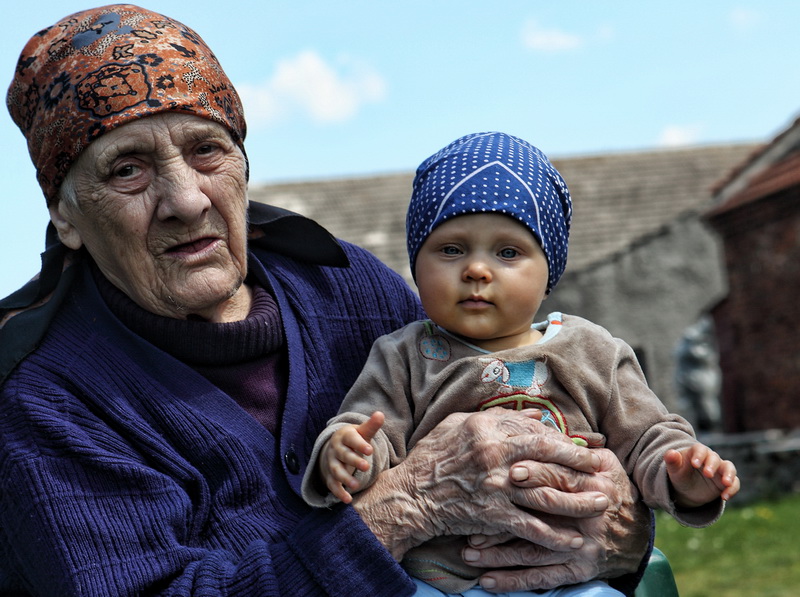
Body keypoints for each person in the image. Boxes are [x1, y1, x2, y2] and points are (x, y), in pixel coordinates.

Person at [0, 6, 654, 596]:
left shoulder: (350, 287)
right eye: (127, 169)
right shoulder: (47, 406)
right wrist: (400, 510)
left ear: (242, 167)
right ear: (66, 217)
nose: (186, 200)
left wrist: (612, 522)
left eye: (207, 150)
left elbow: (511, 427)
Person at [304, 132, 740, 595]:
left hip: (572, 572)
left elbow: (648, 439)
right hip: (443, 581)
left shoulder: (592, 352)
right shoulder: (403, 357)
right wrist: (346, 454)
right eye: (450, 249)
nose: (476, 270)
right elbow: (370, 432)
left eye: (508, 252)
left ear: (548, 271)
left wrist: (686, 477)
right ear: (417, 264)